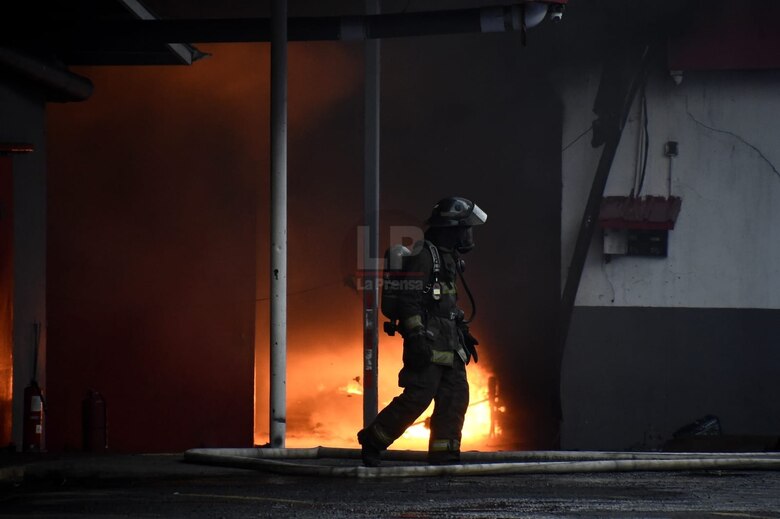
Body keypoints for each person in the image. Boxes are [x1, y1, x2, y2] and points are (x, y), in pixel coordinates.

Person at [357, 196, 487, 466]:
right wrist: (415, 336)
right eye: (465, 228)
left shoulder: (447, 259)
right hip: (427, 342)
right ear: (451, 229)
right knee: (418, 397)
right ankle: (373, 440)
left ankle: (445, 454)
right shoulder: (424, 256)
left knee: (455, 396)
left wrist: (462, 328)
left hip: (450, 343)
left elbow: (444, 301)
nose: (468, 235)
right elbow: (410, 301)